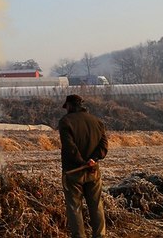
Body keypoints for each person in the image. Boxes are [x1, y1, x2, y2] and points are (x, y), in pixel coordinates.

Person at [58, 94, 109, 238]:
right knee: (96, 205)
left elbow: (70, 147)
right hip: (93, 170)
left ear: (70, 106)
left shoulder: (65, 122)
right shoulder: (97, 121)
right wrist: (93, 159)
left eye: (66, 106)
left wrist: (81, 162)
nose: (65, 109)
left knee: (74, 208)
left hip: (73, 172)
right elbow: (104, 145)